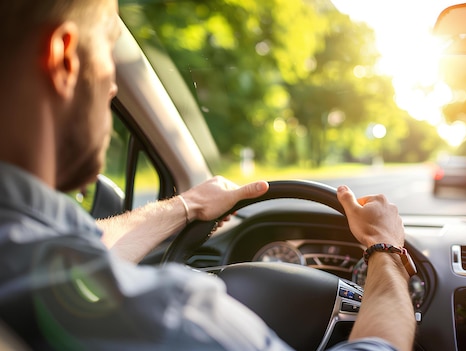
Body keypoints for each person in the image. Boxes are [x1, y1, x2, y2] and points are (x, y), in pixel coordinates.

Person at [0, 0, 416, 350]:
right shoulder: (170, 319)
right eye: (108, 53)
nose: (113, 89)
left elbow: (73, 253)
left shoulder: (23, 250)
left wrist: (188, 205)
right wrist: (386, 250)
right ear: (65, 59)